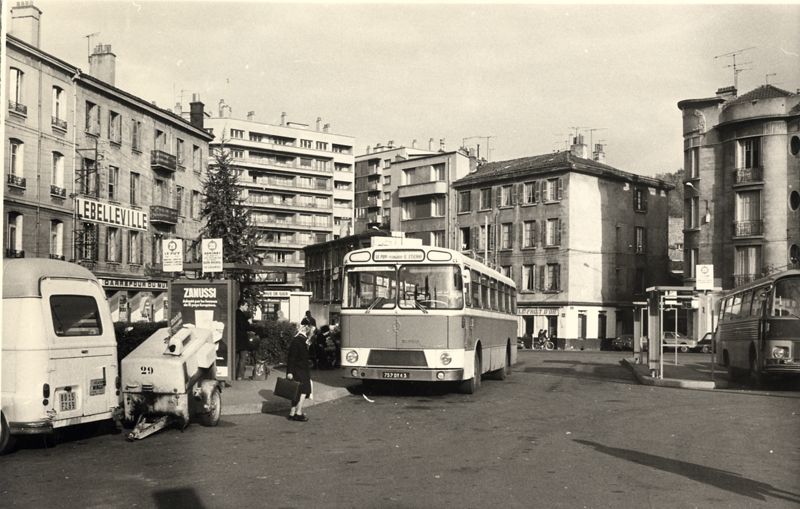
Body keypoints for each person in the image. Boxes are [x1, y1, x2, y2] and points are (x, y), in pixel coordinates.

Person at [286, 324, 314, 421]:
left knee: (296, 391)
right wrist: (290, 372)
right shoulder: (299, 341)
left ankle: (292, 412)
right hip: (300, 370)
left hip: (298, 369)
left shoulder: (299, 340)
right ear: (307, 331)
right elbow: (291, 357)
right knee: (304, 390)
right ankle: (298, 412)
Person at [235, 299, 255, 381]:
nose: (247, 307)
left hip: (238, 339)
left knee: (238, 358)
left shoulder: (237, 313)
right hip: (241, 339)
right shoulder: (240, 314)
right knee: (243, 357)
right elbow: (244, 326)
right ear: (242, 305)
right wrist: (248, 322)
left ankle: (238, 375)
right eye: (246, 305)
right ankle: (240, 376)